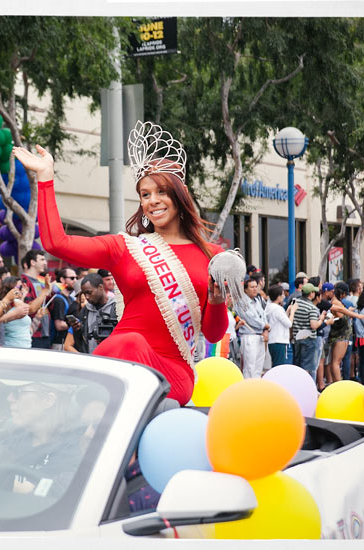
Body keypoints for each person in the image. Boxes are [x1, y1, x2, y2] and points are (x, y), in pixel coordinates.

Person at [14, 121, 227, 405]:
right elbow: (55, 243)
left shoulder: (211, 254)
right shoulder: (126, 247)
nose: (153, 201)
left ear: (179, 194)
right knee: (128, 345)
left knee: (131, 344)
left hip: (174, 372)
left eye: (162, 191)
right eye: (145, 194)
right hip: (123, 358)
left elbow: (213, 333)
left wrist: (217, 300)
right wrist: (45, 176)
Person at [69, 273, 118, 354]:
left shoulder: (117, 308)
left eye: (89, 292)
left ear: (101, 287)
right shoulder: (85, 311)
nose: (87, 297)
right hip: (91, 359)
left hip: (113, 358)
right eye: (84, 293)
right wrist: (77, 330)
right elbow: (80, 343)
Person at [291, 283, 327, 381]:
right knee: (307, 367)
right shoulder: (312, 308)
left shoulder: (295, 302)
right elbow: (314, 325)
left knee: (298, 366)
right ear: (311, 294)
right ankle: (306, 388)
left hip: (297, 337)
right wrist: (321, 319)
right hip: (309, 339)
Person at [19, 249, 54, 349]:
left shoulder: (40, 282)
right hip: (32, 333)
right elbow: (29, 309)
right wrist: (45, 291)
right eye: (42, 259)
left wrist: (49, 293)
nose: (45, 262)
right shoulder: (24, 281)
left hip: (44, 333)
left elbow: (45, 305)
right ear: (32, 262)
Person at [236, 278, 269, 378]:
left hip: (260, 335)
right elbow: (250, 318)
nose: (255, 289)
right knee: (249, 367)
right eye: (252, 287)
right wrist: (264, 326)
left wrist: (265, 329)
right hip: (249, 335)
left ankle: (256, 390)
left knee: (258, 367)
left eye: (256, 287)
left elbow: (264, 315)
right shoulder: (242, 302)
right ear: (245, 289)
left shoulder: (257, 300)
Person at [265, 284, 296, 368]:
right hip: (279, 340)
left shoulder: (270, 307)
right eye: (282, 294)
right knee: (279, 366)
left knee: (276, 365)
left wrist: (288, 311)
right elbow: (289, 323)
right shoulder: (278, 309)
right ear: (278, 297)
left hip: (274, 340)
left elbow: (280, 320)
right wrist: (292, 311)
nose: (284, 296)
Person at [0, 277, 33, 349]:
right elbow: (32, 309)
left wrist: (22, 296)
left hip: (26, 348)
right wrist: (45, 291)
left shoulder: (18, 304)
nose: (23, 289)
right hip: (11, 348)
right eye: (20, 287)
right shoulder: (4, 306)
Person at [49, 267, 77, 350]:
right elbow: (59, 325)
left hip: (68, 342)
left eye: (76, 278)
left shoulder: (71, 299)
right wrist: (76, 325)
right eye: (72, 278)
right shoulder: (59, 300)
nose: (75, 280)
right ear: (62, 279)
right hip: (60, 343)